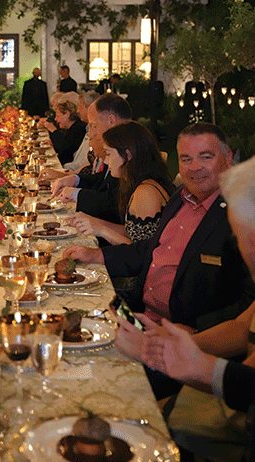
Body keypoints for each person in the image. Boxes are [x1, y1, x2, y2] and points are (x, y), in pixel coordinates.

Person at [64, 122, 255, 397]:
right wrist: (95, 255)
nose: (194, 167)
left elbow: (244, 307)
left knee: (90, 378)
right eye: (186, 159)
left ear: (228, 157)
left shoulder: (240, 212)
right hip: (141, 315)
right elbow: (148, 251)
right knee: (68, 335)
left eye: (206, 157)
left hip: (178, 338)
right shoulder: (181, 197)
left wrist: (191, 332)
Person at [68, 121, 175, 244]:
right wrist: (92, 221)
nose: (107, 161)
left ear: (128, 155)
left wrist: (101, 230)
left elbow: (141, 253)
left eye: (109, 154)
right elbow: (133, 232)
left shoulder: (146, 192)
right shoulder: (138, 182)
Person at [51, 93, 132, 224]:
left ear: (111, 121)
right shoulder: (117, 145)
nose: (90, 133)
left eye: (93, 126)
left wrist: (76, 194)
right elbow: (101, 181)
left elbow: (113, 202)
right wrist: (75, 179)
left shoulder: (127, 150)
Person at [41, 98, 86, 166]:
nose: (56, 119)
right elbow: (64, 141)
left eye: (58, 116)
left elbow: (64, 149)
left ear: (67, 115)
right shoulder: (71, 128)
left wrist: (53, 131)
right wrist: (53, 143)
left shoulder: (79, 129)